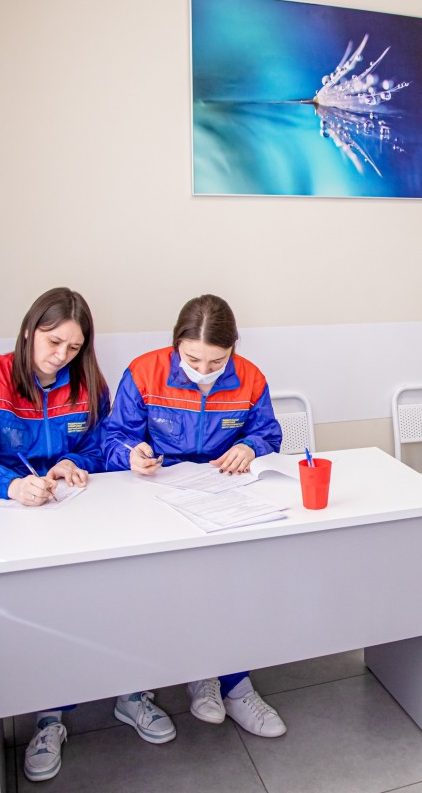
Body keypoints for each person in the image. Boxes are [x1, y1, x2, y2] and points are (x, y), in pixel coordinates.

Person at [0, 288, 174, 784]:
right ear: (29, 330)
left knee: (121, 587)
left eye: (73, 347)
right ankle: (49, 715)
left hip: (79, 510)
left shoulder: (88, 383)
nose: (61, 356)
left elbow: (101, 444)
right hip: (15, 515)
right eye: (53, 342)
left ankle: (129, 690)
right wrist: (11, 485)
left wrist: (73, 461)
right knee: (46, 608)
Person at [102, 294, 287, 738]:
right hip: (157, 499)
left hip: (224, 498)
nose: (204, 370)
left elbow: (268, 433)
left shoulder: (250, 378)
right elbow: (112, 437)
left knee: (233, 582)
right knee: (166, 589)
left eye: (216, 362)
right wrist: (131, 454)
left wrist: (250, 447)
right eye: (192, 360)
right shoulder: (143, 372)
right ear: (176, 345)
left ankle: (233, 682)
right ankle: (194, 673)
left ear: (233, 349)